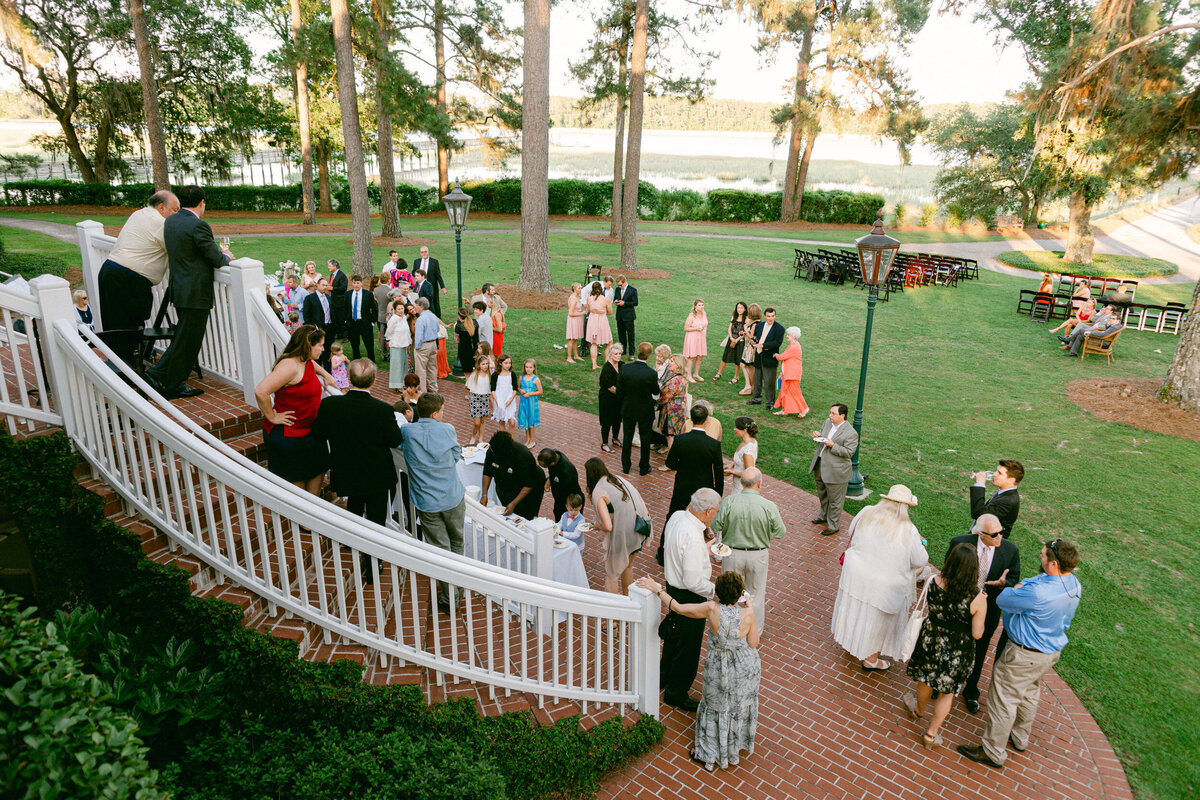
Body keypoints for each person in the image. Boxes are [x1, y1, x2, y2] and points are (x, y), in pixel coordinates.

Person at [957, 539, 1082, 770]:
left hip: (1023, 655)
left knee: (1004, 700)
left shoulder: (1038, 593)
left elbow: (1004, 600)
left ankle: (993, 751)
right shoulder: (1074, 583)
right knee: (1030, 692)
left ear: (1054, 564)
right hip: (1049, 653)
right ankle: (1020, 737)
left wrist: (1014, 588)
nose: (1040, 557)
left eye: (1044, 556)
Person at [637, 570, 761, 771]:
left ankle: (710, 752)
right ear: (740, 593)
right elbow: (753, 643)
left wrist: (657, 589)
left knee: (716, 705)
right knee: (736, 705)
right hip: (745, 667)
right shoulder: (748, 613)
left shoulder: (711, 608)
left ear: (718, 593)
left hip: (719, 667)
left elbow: (677, 607)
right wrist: (750, 608)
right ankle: (734, 746)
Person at [142, 185, 232, 400]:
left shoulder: (171, 221)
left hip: (179, 289)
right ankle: (169, 382)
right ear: (202, 202)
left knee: (183, 339)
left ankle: (160, 376)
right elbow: (216, 259)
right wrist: (227, 255)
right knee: (188, 341)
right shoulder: (198, 225)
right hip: (195, 292)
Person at [830, 485, 929, 670]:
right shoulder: (908, 529)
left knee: (856, 610)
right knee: (878, 622)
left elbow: (852, 530)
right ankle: (871, 659)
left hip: (856, 574)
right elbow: (921, 559)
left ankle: (852, 644)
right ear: (905, 506)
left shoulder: (867, 512)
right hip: (885, 585)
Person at [903, 542, 988, 749]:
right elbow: (977, 634)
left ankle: (918, 711)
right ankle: (931, 734)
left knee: (926, 679)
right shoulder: (977, 598)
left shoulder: (933, 581)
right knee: (946, 692)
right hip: (957, 649)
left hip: (931, 639)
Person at [311, 358, 402, 532]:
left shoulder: (330, 405)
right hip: (377, 474)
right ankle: (371, 558)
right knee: (376, 520)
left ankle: (351, 543)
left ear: (350, 380)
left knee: (354, 508)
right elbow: (395, 440)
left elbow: (318, 434)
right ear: (374, 381)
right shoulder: (382, 409)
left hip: (347, 470)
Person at [398, 392, 467, 612]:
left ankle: (450, 595)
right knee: (456, 542)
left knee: (440, 549)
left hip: (426, 500)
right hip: (451, 496)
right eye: (443, 410)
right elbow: (456, 454)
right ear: (436, 413)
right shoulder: (447, 429)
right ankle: (455, 591)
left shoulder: (407, 431)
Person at [96, 190, 180, 367]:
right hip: (128, 278)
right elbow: (180, 248)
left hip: (110, 270)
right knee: (130, 327)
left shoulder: (139, 214)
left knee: (114, 326)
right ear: (160, 207)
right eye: (174, 210)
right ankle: (130, 370)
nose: (177, 215)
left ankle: (119, 366)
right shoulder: (159, 223)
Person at [253, 324, 337, 496]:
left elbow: (311, 363)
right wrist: (272, 416)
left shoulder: (305, 360)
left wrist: (326, 374)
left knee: (319, 471)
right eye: (320, 345)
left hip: (311, 431)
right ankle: (305, 522)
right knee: (298, 485)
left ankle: (315, 515)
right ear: (308, 345)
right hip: (290, 435)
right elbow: (261, 391)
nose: (323, 349)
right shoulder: (289, 366)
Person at [657, 487, 721, 710]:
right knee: (689, 648)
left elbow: (680, 551)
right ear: (708, 512)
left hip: (672, 588)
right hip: (690, 595)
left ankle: (663, 677)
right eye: (716, 510)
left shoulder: (677, 517)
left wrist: (705, 551)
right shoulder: (693, 537)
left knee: (674, 638)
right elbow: (693, 581)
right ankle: (676, 692)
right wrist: (716, 591)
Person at [951, 513, 1021, 714]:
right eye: (995, 534)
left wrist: (1003, 583)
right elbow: (949, 572)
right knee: (953, 643)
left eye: (1002, 532)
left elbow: (1014, 579)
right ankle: (944, 681)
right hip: (960, 606)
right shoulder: (960, 543)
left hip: (988, 611)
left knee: (980, 649)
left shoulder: (1010, 551)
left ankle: (971, 689)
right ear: (981, 534)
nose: (1000, 537)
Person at [709, 467, 786, 632]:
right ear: (759, 484)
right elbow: (780, 532)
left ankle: (727, 627)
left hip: (732, 553)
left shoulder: (729, 501)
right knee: (756, 595)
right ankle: (754, 631)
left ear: (742, 483)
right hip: (758, 555)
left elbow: (715, 524)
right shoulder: (769, 506)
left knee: (728, 592)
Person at [656, 403, 723, 564]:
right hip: (704, 488)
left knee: (672, 517)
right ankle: (694, 557)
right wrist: (718, 494)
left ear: (691, 419)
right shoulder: (713, 445)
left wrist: (684, 466)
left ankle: (663, 554)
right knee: (700, 522)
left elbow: (670, 463)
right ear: (707, 420)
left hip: (683, 485)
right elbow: (718, 472)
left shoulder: (679, 440)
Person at [585, 456, 651, 595]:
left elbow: (607, 526)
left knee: (612, 574)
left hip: (625, 534)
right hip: (642, 527)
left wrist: (597, 525)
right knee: (627, 566)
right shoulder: (617, 479)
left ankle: (614, 611)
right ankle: (627, 600)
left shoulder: (598, 491)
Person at [809, 403, 859, 535]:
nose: (830, 415)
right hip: (820, 464)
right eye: (830, 412)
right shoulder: (827, 422)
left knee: (835, 499)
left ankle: (833, 525)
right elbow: (822, 436)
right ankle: (823, 516)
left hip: (837, 471)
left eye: (833, 413)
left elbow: (849, 452)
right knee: (822, 493)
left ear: (842, 415)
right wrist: (817, 436)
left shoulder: (851, 433)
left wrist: (833, 445)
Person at [482, 431, 545, 519]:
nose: (493, 453)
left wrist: (513, 503)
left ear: (505, 451)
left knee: (525, 517)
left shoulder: (523, 455)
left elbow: (528, 485)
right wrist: (484, 494)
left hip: (529, 489)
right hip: (507, 485)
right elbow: (487, 472)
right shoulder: (493, 449)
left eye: (495, 453)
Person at [618, 343, 660, 475]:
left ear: (637, 352)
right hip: (645, 410)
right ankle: (643, 467)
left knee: (627, 437)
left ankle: (626, 466)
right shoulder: (651, 373)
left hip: (628, 408)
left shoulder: (625, 368)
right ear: (649, 355)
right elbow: (656, 394)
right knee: (645, 438)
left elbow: (620, 390)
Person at [970, 460, 1023, 538]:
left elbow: (978, 514)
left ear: (1011, 480)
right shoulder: (1005, 493)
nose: (994, 474)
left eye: (999, 473)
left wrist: (980, 484)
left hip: (987, 543)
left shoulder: (1007, 501)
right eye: (996, 471)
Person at [748, 308, 784, 407]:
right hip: (758, 356)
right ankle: (756, 399)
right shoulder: (759, 325)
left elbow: (777, 342)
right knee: (757, 380)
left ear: (775, 316)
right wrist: (753, 342)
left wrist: (763, 346)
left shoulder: (779, 328)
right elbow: (755, 338)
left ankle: (770, 402)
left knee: (769, 382)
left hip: (770, 358)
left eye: (772, 316)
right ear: (765, 316)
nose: (770, 318)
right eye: (768, 316)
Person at [772, 326, 809, 418]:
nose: (787, 336)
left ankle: (804, 409)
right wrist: (782, 372)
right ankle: (785, 410)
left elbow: (782, 357)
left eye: (788, 335)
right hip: (788, 374)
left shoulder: (795, 347)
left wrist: (776, 355)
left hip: (793, 374)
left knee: (795, 392)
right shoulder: (792, 345)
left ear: (794, 336)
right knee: (784, 391)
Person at [538, 448, 584, 520]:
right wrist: (549, 481)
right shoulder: (555, 454)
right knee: (557, 515)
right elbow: (553, 472)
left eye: (544, 466)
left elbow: (572, 492)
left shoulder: (566, 472)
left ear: (552, 463)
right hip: (559, 499)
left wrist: (571, 509)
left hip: (571, 501)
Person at [657, 355, 690, 455]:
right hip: (679, 412)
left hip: (672, 414)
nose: (669, 363)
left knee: (670, 437)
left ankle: (670, 462)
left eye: (672, 361)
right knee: (673, 436)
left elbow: (665, 398)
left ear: (678, 365)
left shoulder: (674, 381)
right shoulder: (682, 378)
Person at [301, 278, 336, 372]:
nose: (325, 287)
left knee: (328, 353)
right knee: (318, 354)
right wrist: (313, 328)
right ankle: (317, 374)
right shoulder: (310, 298)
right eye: (323, 285)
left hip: (329, 328)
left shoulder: (328, 297)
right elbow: (306, 315)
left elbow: (332, 313)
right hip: (317, 329)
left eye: (326, 285)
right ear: (317, 285)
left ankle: (328, 374)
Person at [344, 275, 377, 362]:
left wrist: (372, 322)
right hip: (352, 323)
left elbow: (374, 309)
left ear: (361, 283)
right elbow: (345, 308)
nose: (356, 285)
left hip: (365, 323)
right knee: (355, 345)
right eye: (354, 283)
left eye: (358, 283)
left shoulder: (368, 294)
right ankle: (356, 362)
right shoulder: (348, 294)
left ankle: (371, 363)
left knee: (369, 345)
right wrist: (346, 321)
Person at [714, 301, 748, 383]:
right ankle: (719, 373)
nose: (739, 309)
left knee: (737, 359)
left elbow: (745, 333)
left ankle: (736, 377)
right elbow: (729, 329)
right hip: (731, 338)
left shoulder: (746, 319)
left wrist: (736, 340)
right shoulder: (734, 316)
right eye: (738, 308)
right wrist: (731, 338)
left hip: (739, 341)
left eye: (741, 308)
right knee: (725, 356)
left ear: (745, 309)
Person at [598, 343, 623, 452]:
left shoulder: (622, 365)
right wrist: (623, 392)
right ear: (610, 355)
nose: (618, 356)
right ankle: (604, 443)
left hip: (618, 398)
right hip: (607, 399)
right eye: (616, 354)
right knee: (607, 420)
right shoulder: (607, 368)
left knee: (617, 419)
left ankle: (615, 438)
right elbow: (611, 388)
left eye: (620, 353)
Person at [412, 298, 440, 393]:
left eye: (416, 305)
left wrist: (417, 347)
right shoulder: (433, 316)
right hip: (433, 344)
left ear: (421, 307)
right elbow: (437, 329)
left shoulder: (420, 319)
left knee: (420, 369)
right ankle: (433, 388)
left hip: (423, 346)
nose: (415, 307)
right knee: (432, 367)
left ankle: (421, 390)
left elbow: (418, 336)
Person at [465, 346, 492, 444]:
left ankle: (481, 438)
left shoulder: (489, 375)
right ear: (479, 365)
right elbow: (467, 387)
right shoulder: (475, 375)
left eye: (486, 364)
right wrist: (471, 397)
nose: (485, 366)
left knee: (483, 420)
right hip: (475, 398)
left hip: (484, 398)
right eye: (483, 364)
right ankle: (473, 436)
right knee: (476, 422)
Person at [727, 416, 758, 496]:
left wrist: (731, 472)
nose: (734, 429)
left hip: (741, 490)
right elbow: (740, 459)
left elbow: (749, 475)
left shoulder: (747, 450)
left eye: (737, 427)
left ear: (744, 430)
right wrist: (731, 465)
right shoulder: (748, 441)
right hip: (737, 486)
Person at [585, 282, 614, 369]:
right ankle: (606, 363)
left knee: (594, 343)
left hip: (592, 320)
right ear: (601, 289)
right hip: (602, 320)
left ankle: (594, 365)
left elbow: (589, 310)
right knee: (609, 342)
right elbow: (610, 312)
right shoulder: (606, 300)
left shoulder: (589, 299)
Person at [489, 353, 519, 434]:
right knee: (502, 421)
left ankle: (511, 442)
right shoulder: (495, 375)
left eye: (509, 363)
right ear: (500, 363)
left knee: (512, 423)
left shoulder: (512, 374)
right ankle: (504, 441)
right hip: (499, 399)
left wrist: (510, 400)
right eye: (506, 363)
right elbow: (493, 389)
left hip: (510, 399)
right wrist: (497, 401)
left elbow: (515, 389)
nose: (508, 365)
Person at [385, 299, 412, 387]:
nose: (401, 310)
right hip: (396, 345)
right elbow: (388, 332)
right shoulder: (393, 319)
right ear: (395, 310)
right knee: (397, 366)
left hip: (404, 344)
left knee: (404, 366)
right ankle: (396, 385)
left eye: (402, 308)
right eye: (399, 309)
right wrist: (392, 340)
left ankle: (403, 383)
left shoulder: (403, 317)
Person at [413, 246, 445, 317]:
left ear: (428, 252)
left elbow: (438, 275)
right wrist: (418, 277)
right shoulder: (417, 262)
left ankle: (437, 317)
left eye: (425, 252)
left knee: (434, 302)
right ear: (420, 253)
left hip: (432, 285)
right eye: (422, 252)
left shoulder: (434, 262)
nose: (424, 253)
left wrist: (442, 287)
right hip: (420, 285)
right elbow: (413, 271)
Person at [738, 304, 762, 396]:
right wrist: (744, 332)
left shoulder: (755, 324)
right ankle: (751, 386)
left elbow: (751, 336)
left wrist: (745, 329)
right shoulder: (757, 323)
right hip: (750, 348)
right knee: (748, 366)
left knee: (745, 365)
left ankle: (750, 386)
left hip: (750, 349)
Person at [517, 358, 542, 447]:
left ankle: (532, 440)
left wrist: (530, 394)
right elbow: (518, 387)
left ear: (534, 368)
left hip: (531, 402)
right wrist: (521, 391)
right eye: (526, 367)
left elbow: (540, 391)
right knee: (526, 419)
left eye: (530, 367)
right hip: (524, 402)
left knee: (531, 420)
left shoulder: (536, 379)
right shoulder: (521, 377)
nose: (528, 369)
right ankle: (527, 439)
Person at [682, 299, 708, 382]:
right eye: (699, 305)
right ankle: (688, 375)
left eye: (702, 305)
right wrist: (696, 328)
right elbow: (686, 328)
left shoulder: (704, 314)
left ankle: (696, 374)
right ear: (695, 306)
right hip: (692, 337)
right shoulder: (692, 316)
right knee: (692, 357)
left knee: (700, 356)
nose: (701, 307)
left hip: (701, 338)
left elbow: (705, 325)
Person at [613, 275, 639, 357]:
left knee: (630, 335)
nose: (619, 287)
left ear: (625, 282)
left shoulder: (632, 290)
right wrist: (616, 301)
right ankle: (623, 350)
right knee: (621, 334)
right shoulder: (617, 289)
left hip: (629, 316)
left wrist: (624, 303)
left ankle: (631, 353)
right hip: (620, 315)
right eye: (618, 285)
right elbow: (615, 298)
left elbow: (635, 302)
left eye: (621, 285)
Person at [371, 274, 392, 354]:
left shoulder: (376, 290)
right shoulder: (390, 290)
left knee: (382, 336)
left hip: (380, 314)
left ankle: (383, 353)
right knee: (390, 335)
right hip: (389, 315)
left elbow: (376, 299)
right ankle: (390, 353)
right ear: (388, 280)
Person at [565, 283, 586, 363]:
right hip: (574, 320)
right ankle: (569, 357)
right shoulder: (573, 299)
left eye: (581, 288)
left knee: (575, 338)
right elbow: (571, 313)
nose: (581, 289)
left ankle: (576, 355)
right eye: (579, 288)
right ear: (574, 289)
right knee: (572, 339)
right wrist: (583, 313)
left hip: (577, 319)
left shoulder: (577, 297)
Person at [327, 259, 348, 337]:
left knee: (341, 318)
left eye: (329, 266)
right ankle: (339, 333)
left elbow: (343, 288)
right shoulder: (332, 275)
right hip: (333, 300)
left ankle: (346, 335)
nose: (328, 267)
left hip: (339, 301)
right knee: (335, 318)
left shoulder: (341, 275)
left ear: (335, 266)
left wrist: (333, 288)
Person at [454, 306, 477, 375]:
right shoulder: (475, 322)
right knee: (475, 373)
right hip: (475, 350)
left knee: (467, 375)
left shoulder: (458, 326)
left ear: (459, 316)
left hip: (464, 352)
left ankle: (468, 386)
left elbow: (456, 341)